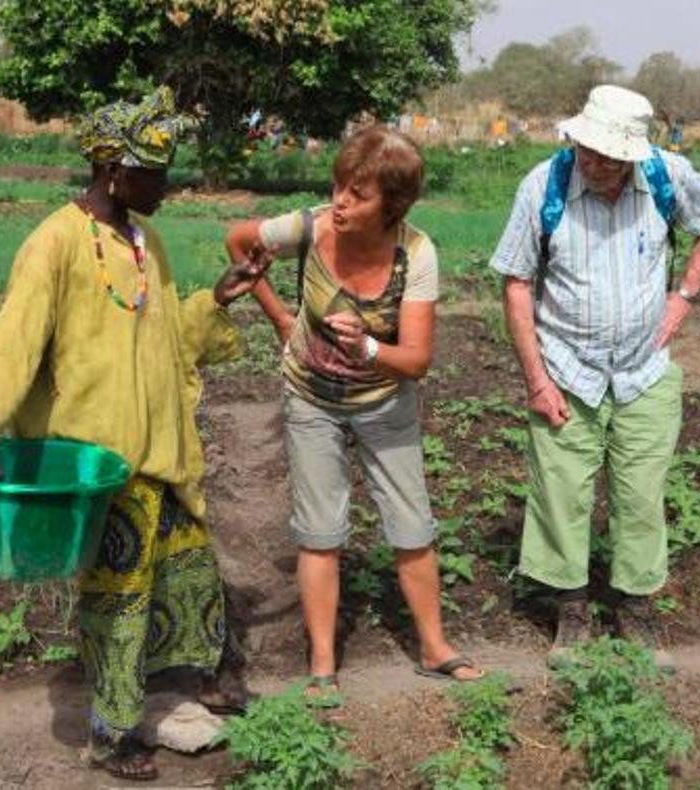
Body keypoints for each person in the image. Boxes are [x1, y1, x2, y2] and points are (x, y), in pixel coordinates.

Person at [0, 87, 272, 781]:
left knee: (188, 574)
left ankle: (199, 680)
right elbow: (13, 343)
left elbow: (169, 337)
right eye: (157, 172)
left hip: (161, 452)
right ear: (114, 172)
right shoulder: (55, 244)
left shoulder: (147, 243)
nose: (169, 185)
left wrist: (216, 296)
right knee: (117, 601)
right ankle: (112, 734)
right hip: (102, 463)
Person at [224, 125, 484, 702]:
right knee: (320, 533)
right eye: (339, 186)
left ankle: (435, 647)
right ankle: (321, 665)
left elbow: (415, 360)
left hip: (384, 400)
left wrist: (366, 346)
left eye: (358, 195)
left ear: (392, 206)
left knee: (412, 525)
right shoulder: (308, 227)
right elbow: (239, 242)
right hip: (310, 398)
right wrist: (281, 318)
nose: (341, 202)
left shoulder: (415, 254)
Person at [489, 85, 700, 669]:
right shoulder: (543, 185)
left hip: (645, 371)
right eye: (585, 150)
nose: (592, 164)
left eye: (606, 156)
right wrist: (537, 381)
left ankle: (636, 610)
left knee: (641, 494)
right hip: (566, 368)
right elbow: (517, 283)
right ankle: (570, 610)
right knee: (561, 491)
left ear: (632, 155)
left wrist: (686, 294)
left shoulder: (665, 175)